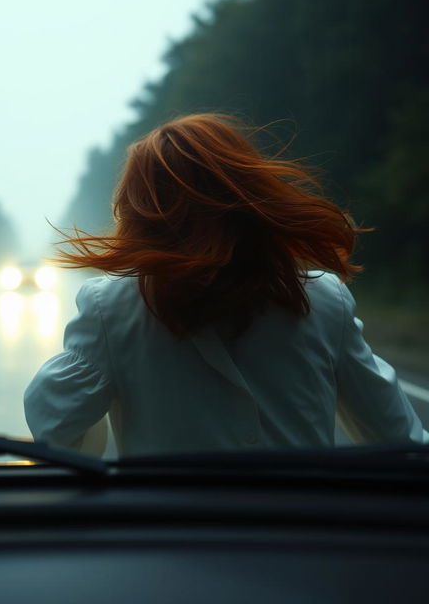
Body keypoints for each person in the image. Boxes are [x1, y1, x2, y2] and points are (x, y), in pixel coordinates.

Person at [24, 113, 428, 456]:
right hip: (301, 540)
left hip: (171, 540)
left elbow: (56, 428)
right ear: (249, 197)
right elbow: (401, 442)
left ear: (141, 215)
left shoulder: (110, 306)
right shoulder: (321, 299)